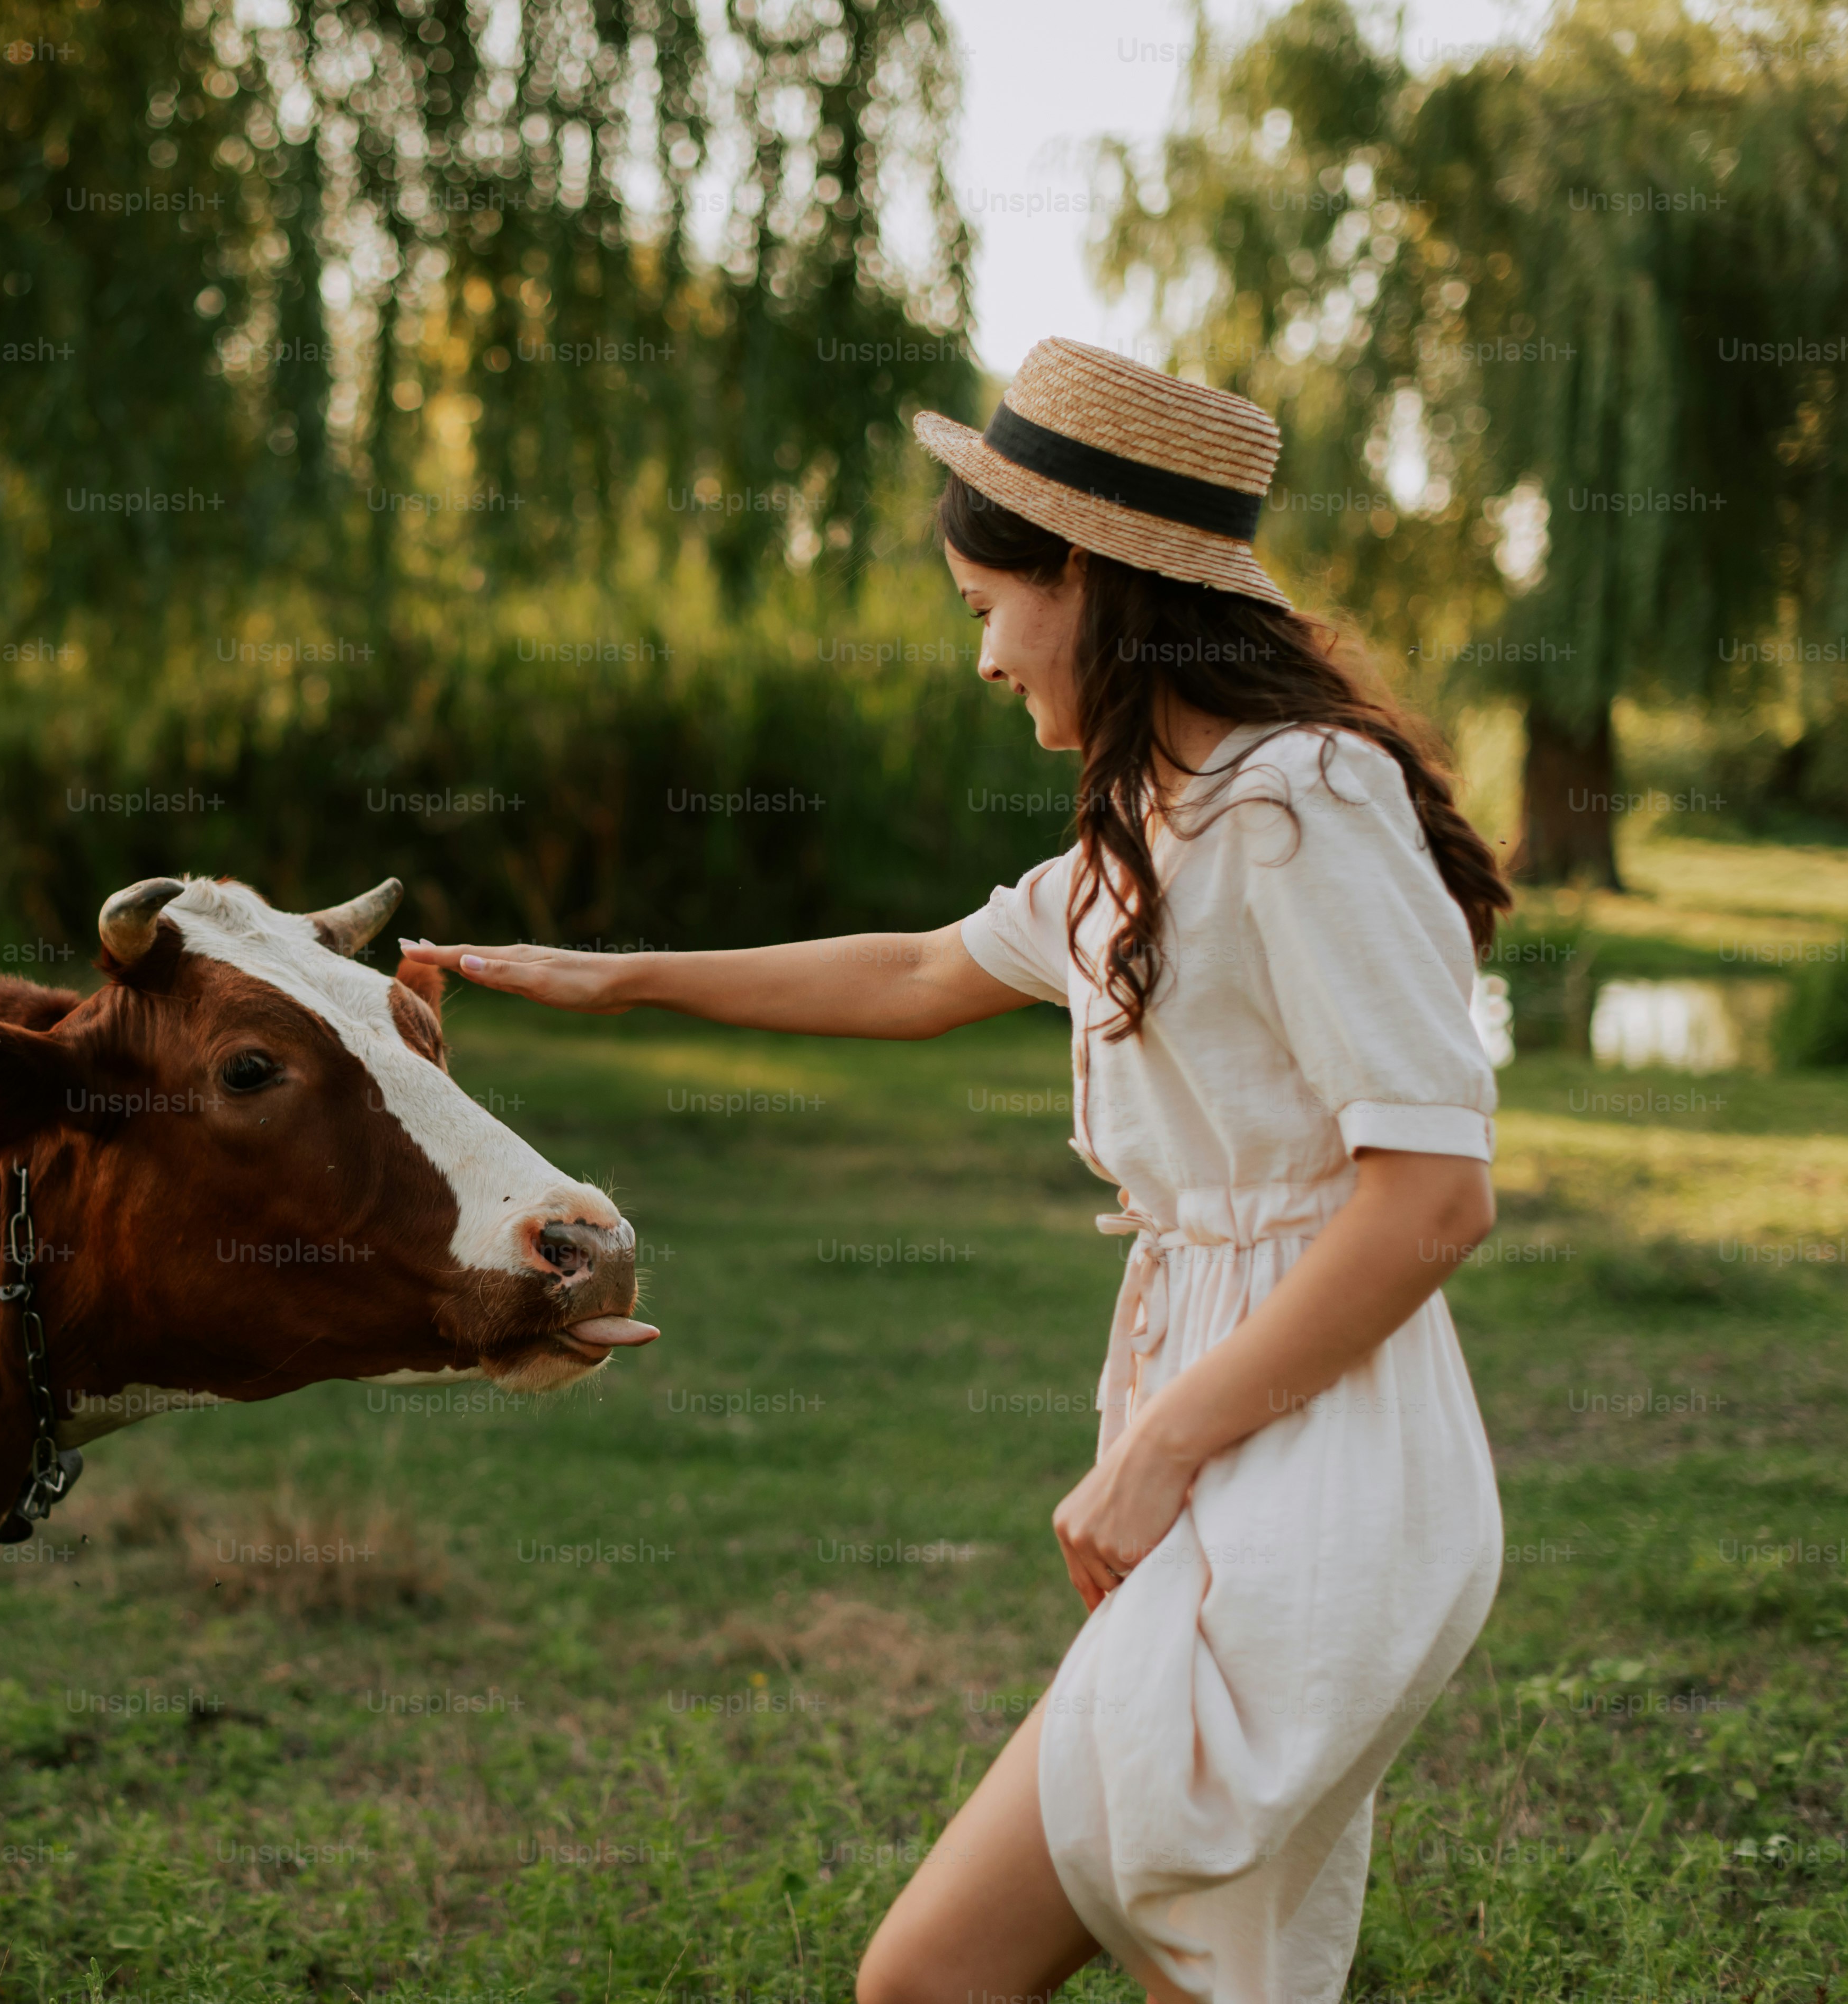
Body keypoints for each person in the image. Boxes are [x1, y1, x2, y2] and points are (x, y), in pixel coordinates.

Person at [401, 339, 1511, 2004]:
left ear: (1089, 578)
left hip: (1324, 1452)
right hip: (1240, 1428)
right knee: (1193, 1964)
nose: (980, 655)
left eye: (987, 605)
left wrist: (1165, 1453)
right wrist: (612, 973)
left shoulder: (1304, 806)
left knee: (934, 1975)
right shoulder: (1151, 825)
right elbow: (922, 972)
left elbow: (1433, 1201)